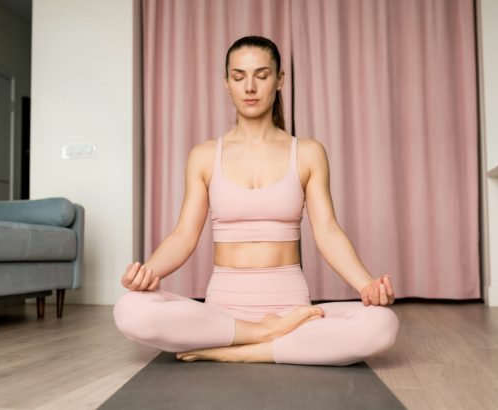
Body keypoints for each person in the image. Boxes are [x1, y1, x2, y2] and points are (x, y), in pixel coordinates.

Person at [113, 35, 399, 366]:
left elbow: (328, 231)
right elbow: (183, 236)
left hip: (292, 307)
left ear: (279, 80)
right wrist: (146, 273)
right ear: (226, 83)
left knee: (382, 324)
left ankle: (241, 352)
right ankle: (260, 335)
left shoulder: (307, 152)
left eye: (261, 76)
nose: (250, 87)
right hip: (224, 312)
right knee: (129, 308)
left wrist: (367, 286)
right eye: (239, 77)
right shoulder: (205, 156)